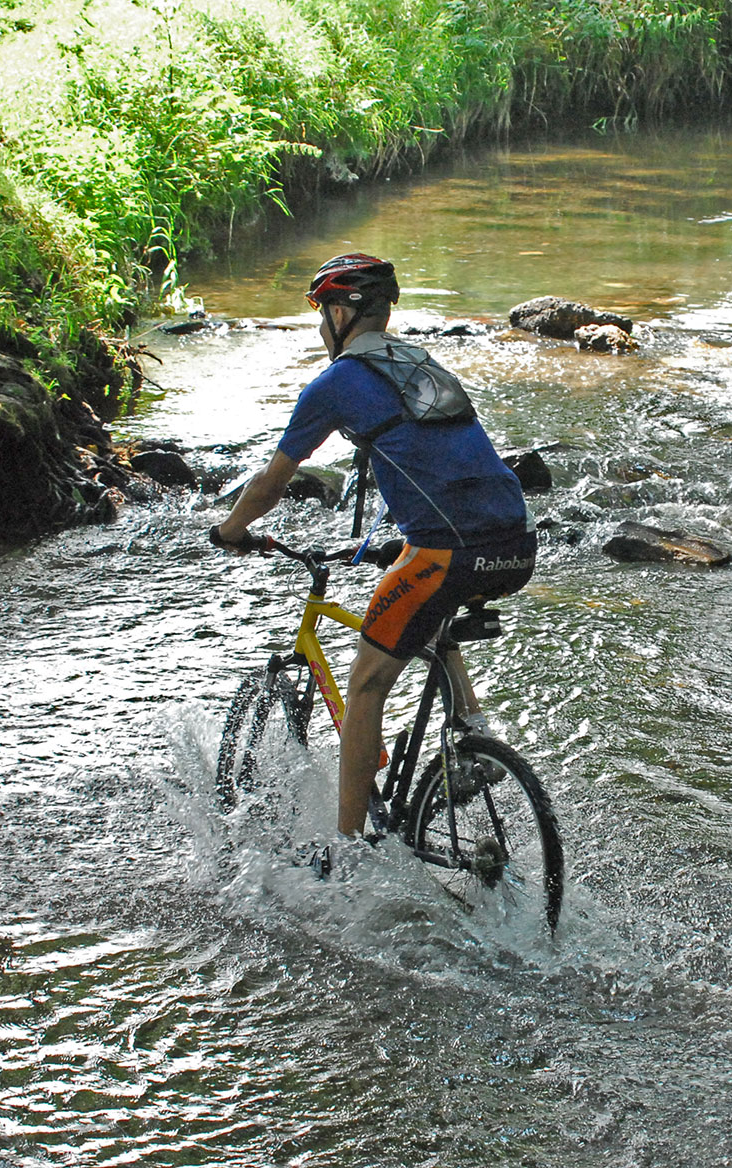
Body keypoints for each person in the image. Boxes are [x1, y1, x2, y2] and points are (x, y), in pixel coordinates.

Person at [212, 252, 536, 849]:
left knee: (365, 687)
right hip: (516, 541)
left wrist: (230, 531)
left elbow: (272, 481)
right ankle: (473, 727)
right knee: (430, 606)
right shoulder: (420, 364)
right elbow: (442, 462)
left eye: (321, 314)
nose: (319, 328)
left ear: (341, 312)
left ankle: (345, 854)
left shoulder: (337, 384)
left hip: (450, 550)